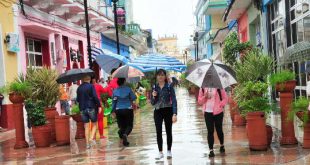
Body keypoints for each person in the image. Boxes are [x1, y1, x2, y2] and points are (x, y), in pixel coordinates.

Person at [151, 69, 177, 160]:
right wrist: (153, 96)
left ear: (165, 77)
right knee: (158, 131)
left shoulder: (169, 87)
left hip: (168, 110)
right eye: (159, 75)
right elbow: (152, 103)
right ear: (156, 76)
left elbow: (174, 100)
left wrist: (174, 113)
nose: (160, 77)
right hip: (157, 111)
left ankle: (169, 150)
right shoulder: (154, 87)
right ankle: (160, 152)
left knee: (168, 131)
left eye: (162, 75)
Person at [197, 87, 228, 158]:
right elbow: (199, 101)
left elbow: (225, 98)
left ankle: (222, 145)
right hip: (207, 112)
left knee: (219, 130)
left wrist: (221, 105)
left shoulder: (219, 87)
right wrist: (205, 96)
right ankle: (211, 150)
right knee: (210, 131)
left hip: (218, 112)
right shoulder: (202, 87)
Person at [76, 75, 101, 149]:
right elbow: (95, 97)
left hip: (82, 109)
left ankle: (87, 144)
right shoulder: (91, 86)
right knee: (94, 124)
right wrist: (99, 105)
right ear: (89, 79)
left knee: (86, 126)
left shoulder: (79, 88)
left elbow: (77, 100)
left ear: (83, 79)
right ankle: (90, 139)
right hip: (91, 107)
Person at [111, 78, 136, 147]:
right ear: (124, 82)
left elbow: (114, 102)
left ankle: (121, 133)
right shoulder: (128, 89)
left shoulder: (115, 91)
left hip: (118, 110)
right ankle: (125, 134)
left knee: (122, 126)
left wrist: (112, 111)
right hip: (128, 109)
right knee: (129, 125)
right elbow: (134, 98)